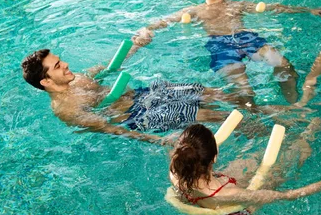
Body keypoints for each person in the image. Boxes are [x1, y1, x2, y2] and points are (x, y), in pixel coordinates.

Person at [132, 0, 321, 105]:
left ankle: (293, 105)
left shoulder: (237, 5)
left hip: (246, 38)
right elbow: (160, 23)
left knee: (284, 65)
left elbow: (275, 7)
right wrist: (145, 31)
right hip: (219, 45)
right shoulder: (193, 11)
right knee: (244, 90)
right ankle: (256, 120)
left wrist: (307, 10)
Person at [164, 120, 321, 215]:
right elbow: (290, 195)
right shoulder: (230, 194)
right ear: (214, 158)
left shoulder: (176, 167)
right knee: (275, 173)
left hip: (202, 199)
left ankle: (302, 137)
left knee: (250, 160)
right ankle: (306, 138)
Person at [21, 49, 243, 145]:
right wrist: (159, 141)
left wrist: (136, 45)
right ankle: (253, 124)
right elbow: (112, 129)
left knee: (202, 90)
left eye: (61, 60)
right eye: (58, 66)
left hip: (141, 95)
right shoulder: (66, 110)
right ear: (46, 82)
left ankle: (254, 107)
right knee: (206, 114)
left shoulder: (75, 77)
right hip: (137, 115)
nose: (66, 65)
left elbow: (109, 67)